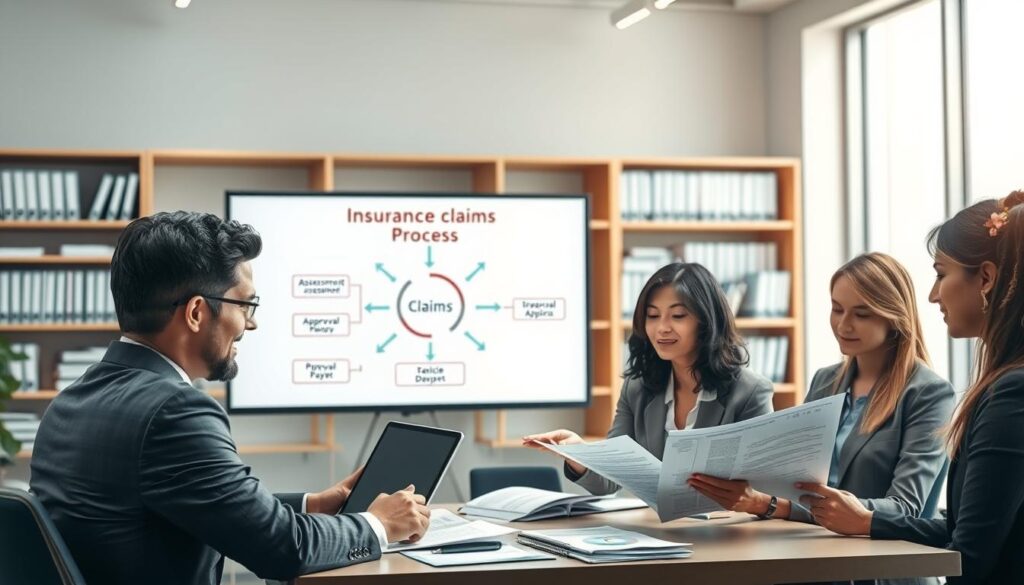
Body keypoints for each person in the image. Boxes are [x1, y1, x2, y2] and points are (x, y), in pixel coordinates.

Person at [30, 212, 430, 585]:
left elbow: (191, 503)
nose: (251, 323)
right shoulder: (175, 410)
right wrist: (378, 524)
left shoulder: (70, 403)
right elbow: (284, 549)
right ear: (196, 313)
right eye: (246, 304)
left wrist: (312, 504)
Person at [797, 192, 1024, 584]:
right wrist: (869, 522)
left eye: (940, 273)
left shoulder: (1009, 393)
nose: (934, 294)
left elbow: (967, 556)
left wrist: (870, 521)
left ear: (985, 278)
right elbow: (960, 533)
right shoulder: (1003, 385)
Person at [688, 252, 954, 585]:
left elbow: (905, 509)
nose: (843, 325)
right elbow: (804, 486)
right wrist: (765, 501)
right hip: (821, 561)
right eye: (837, 309)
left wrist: (811, 506)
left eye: (862, 313)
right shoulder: (825, 382)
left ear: (894, 317)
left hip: (886, 571)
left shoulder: (928, 393)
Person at [523, 262, 774, 494]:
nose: (662, 327)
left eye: (678, 316)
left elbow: (766, 488)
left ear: (706, 321)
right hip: (660, 532)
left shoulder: (750, 392)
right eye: (653, 316)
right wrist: (579, 455)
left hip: (728, 533)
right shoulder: (638, 388)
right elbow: (612, 479)